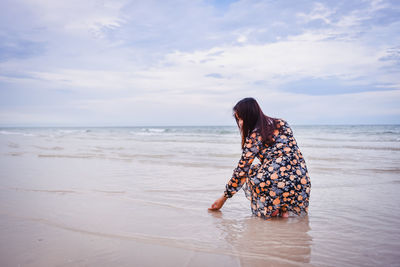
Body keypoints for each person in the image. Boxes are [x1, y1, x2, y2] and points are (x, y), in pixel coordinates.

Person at [209, 97, 311, 219]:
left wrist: (223, 198)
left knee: (253, 171)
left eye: (240, 118)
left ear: (249, 116)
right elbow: (290, 154)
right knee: (275, 170)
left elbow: (241, 171)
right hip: (301, 179)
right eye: (237, 119)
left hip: (275, 182)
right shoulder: (282, 123)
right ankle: (284, 211)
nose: (240, 123)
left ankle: (271, 210)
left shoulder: (254, 136)